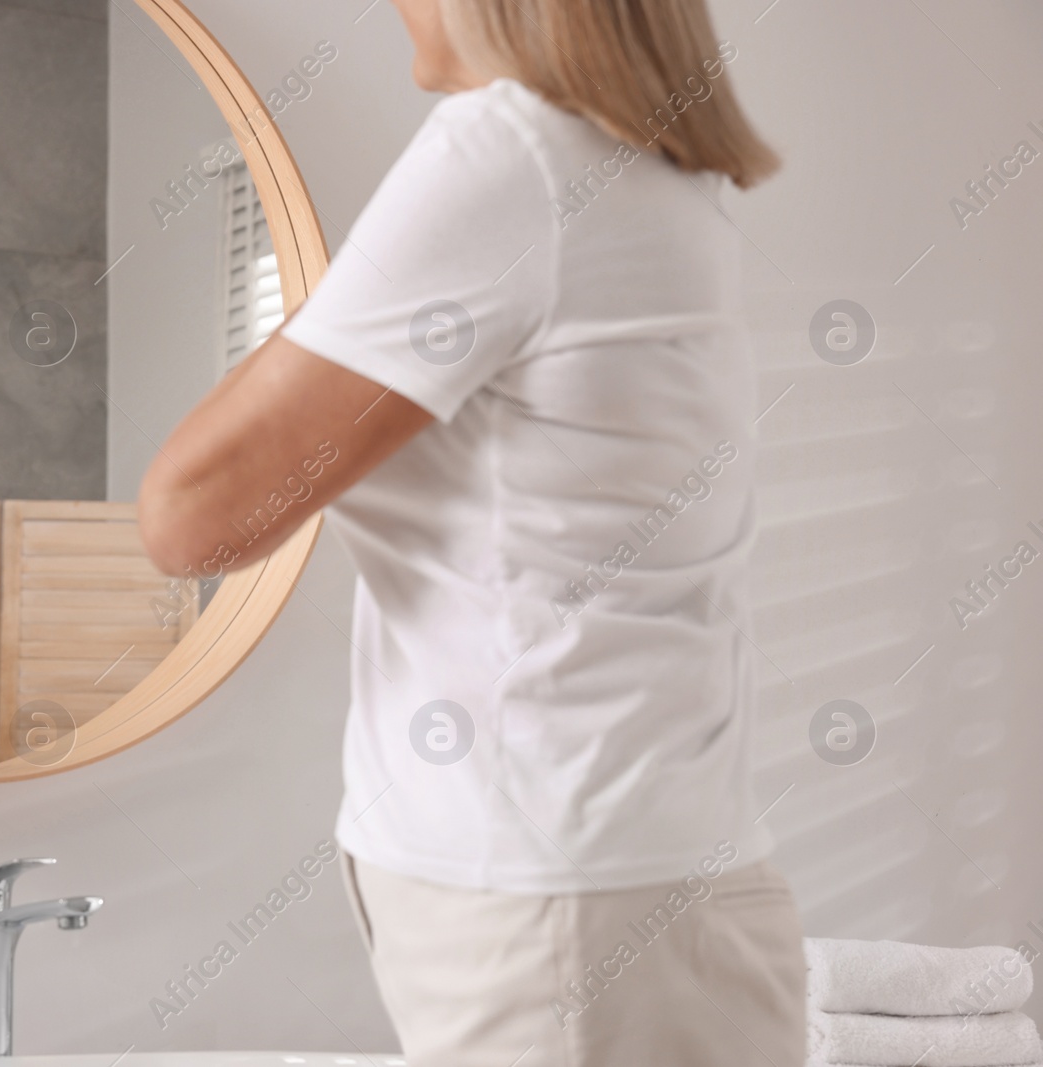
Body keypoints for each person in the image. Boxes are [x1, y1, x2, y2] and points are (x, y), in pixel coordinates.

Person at [136, 0, 803, 1063]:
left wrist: (336, 317)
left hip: (552, 907)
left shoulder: (514, 154)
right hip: (614, 881)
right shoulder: (643, 169)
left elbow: (189, 517)